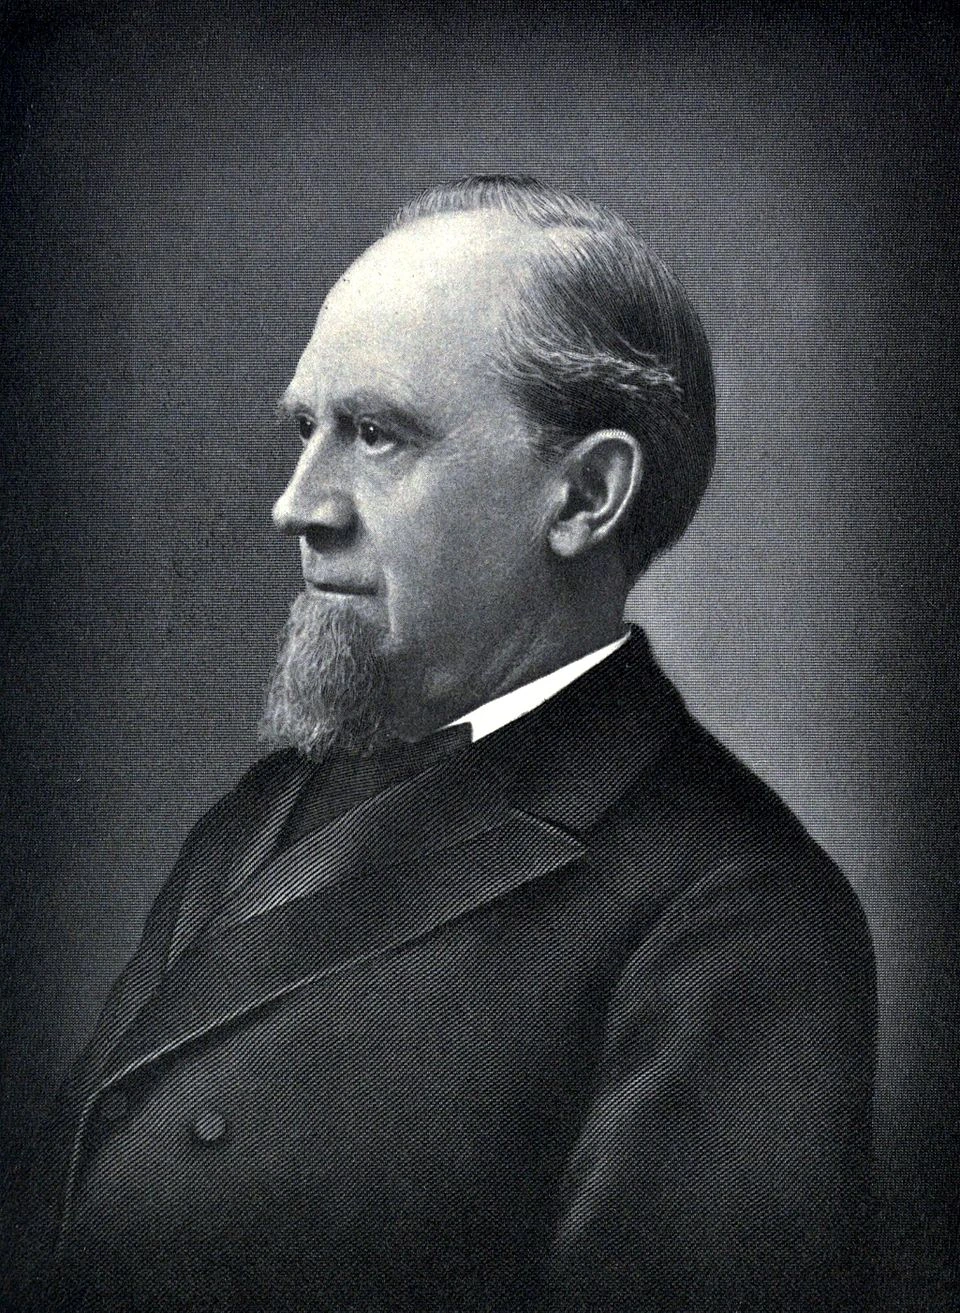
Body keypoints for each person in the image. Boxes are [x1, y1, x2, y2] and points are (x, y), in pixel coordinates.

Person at [7, 176, 876, 1311]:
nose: (298, 501)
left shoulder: (738, 914)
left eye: (376, 435)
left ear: (585, 495)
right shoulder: (269, 806)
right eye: (304, 430)